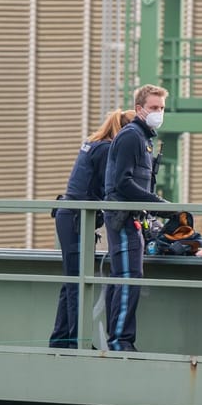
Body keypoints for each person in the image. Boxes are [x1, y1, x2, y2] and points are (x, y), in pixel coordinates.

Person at [49, 109, 132, 349]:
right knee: (77, 284)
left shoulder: (93, 144)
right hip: (77, 219)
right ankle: (78, 343)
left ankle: (61, 340)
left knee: (72, 281)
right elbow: (112, 187)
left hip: (69, 216)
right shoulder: (107, 150)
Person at [100, 85, 171, 352]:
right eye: (154, 108)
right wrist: (159, 205)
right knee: (129, 275)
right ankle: (120, 342)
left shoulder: (143, 138)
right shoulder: (132, 137)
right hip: (123, 216)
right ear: (140, 109)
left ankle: (117, 339)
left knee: (123, 275)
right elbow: (123, 182)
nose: (159, 113)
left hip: (130, 216)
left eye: (162, 108)